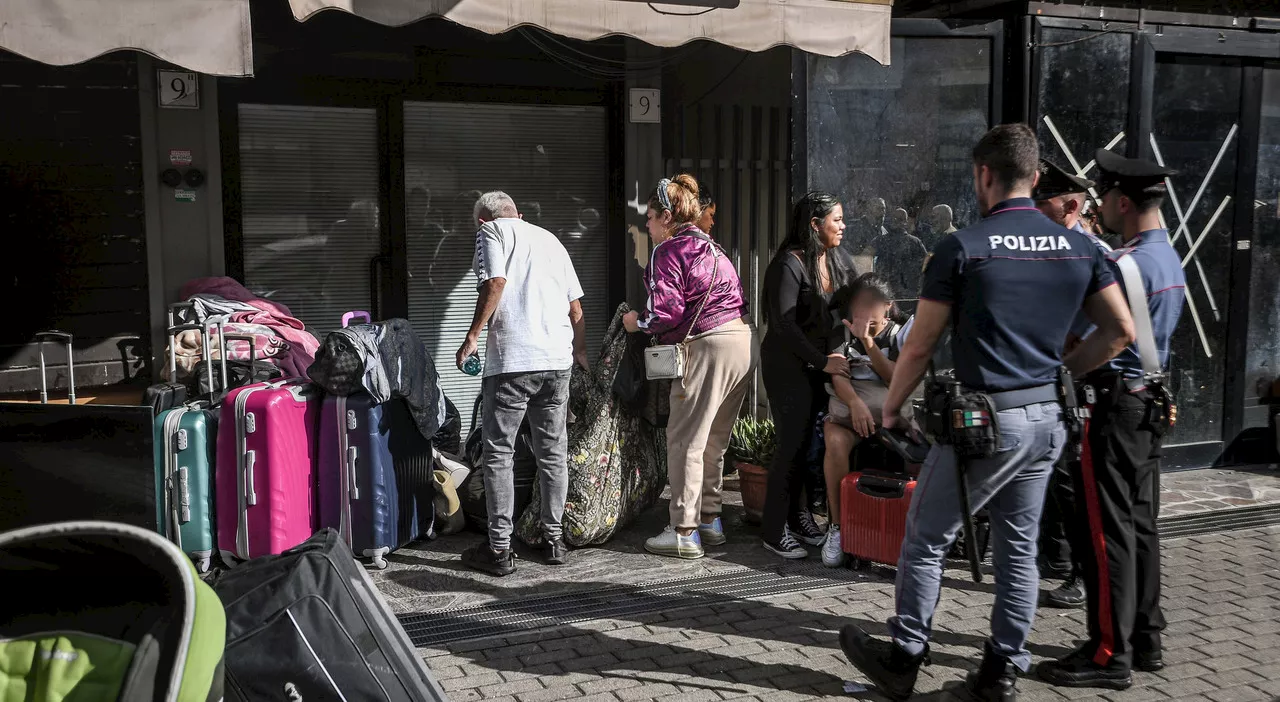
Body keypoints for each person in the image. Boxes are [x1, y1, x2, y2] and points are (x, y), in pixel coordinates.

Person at [838, 124, 1135, 702]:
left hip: (982, 424)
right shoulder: (1079, 247)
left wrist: (893, 406)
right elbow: (1120, 330)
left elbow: (919, 346)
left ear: (983, 175)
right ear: (1034, 176)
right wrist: (1062, 373)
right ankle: (1000, 674)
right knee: (1018, 549)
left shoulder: (965, 248)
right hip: (1047, 418)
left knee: (925, 538)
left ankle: (903, 657)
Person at [1037, 149, 1186, 691]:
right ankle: (1146, 638)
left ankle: (1108, 653)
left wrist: (1065, 373)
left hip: (1115, 403)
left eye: (1106, 198)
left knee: (1106, 534)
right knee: (1141, 527)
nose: (1101, 206)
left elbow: (1105, 334)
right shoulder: (1167, 256)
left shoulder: (1123, 264)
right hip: (1150, 398)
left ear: (1123, 201)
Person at [455, 191, 589, 576]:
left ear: (482, 221)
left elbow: (495, 282)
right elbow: (576, 308)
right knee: (553, 453)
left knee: (499, 453)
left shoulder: (490, 232)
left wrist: (473, 336)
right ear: (521, 214)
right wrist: (579, 352)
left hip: (514, 361)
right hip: (556, 361)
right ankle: (554, 541)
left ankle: (499, 550)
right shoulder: (550, 239)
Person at [622, 174, 753, 560]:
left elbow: (665, 312)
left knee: (684, 442)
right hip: (742, 340)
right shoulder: (711, 247)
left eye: (649, 217)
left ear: (667, 216)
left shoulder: (668, 250)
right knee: (714, 441)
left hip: (707, 347)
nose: (646, 224)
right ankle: (710, 520)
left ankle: (683, 530)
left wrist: (636, 323)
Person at [760, 191, 856, 560]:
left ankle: (799, 518)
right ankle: (773, 529)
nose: (843, 226)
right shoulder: (789, 263)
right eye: (836, 220)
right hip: (788, 367)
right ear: (815, 225)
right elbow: (784, 325)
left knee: (806, 447)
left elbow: (847, 305)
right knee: (791, 445)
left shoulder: (834, 259)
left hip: (817, 365)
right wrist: (822, 360)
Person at [1033, 158, 1111, 608]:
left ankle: (1083, 573)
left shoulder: (1090, 252)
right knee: (1057, 477)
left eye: (1042, 204)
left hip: (1075, 381)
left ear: (1070, 206)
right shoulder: (1049, 249)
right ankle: (1059, 558)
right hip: (1048, 378)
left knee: (1074, 482)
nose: (1034, 211)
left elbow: (1111, 328)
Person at [820, 273, 915, 567]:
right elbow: (839, 375)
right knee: (834, 440)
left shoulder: (902, 332)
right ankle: (836, 527)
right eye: (858, 306)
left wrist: (868, 341)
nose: (863, 315)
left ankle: (913, 532)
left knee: (922, 449)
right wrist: (855, 404)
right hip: (851, 414)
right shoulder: (841, 332)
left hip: (894, 415)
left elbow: (896, 378)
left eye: (872, 307)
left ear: (888, 306)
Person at [871, 207, 929, 299]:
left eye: (899, 219)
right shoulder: (880, 241)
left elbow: (927, 265)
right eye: (894, 218)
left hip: (900, 293)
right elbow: (865, 258)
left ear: (905, 222)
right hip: (888, 292)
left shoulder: (914, 242)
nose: (895, 221)